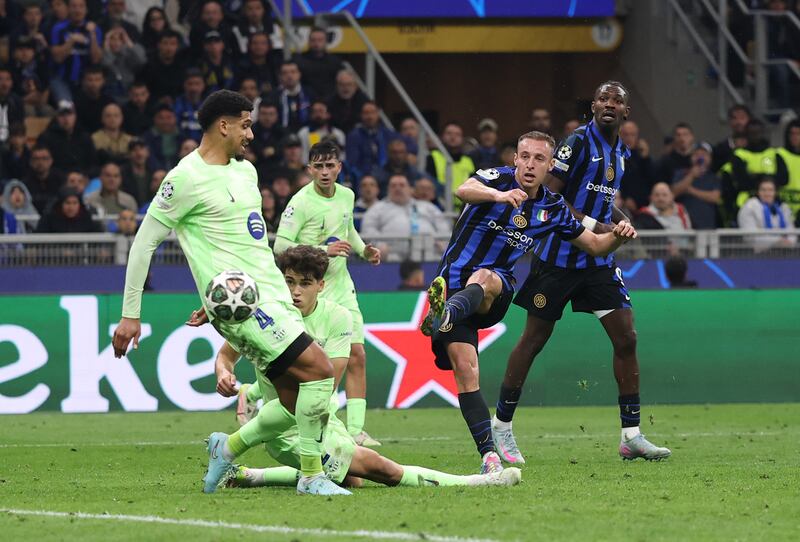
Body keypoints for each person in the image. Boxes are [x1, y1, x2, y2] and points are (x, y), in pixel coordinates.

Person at [111, 90, 346, 496]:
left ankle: (227, 448)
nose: (250, 134)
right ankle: (311, 476)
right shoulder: (184, 178)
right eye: (245, 125)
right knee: (321, 370)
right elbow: (143, 243)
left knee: (295, 402)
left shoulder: (246, 172)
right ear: (224, 125)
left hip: (270, 293)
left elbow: (243, 243)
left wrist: (215, 300)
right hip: (249, 308)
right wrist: (131, 313)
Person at [194, 245, 520, 491]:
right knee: (383, 470)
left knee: (354, 479)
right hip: (284, 430)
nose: (295, 291)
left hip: (321, 417)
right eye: (289, 281)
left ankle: (248, 475)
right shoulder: (268, 315)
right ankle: (478, 482)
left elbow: (327, 386)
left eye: (305, 283)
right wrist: (223, 371)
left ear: (321, 285)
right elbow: (226, 356)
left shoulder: (338, 317)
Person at [420, 130, 638, 474]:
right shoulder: (496, 179)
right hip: (453, 286)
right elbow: (463, 189)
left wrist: (617, 236)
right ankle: (489, 457)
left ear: (550, 165)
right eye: (524, 156)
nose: (530, 164)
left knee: (485, 276)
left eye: (539, 159)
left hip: (495, 292)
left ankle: (445, 314)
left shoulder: (552, 207)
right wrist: (499, 195)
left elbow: (595, 246)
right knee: (466, 371)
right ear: (515, 159)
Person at [490, 82, 671, 465]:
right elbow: (552, 197)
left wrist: (621, 221)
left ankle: (631, 436)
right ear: (593, 106)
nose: (609, 104)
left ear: (626, 112)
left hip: (597, 264)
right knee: (533, 341)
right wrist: (598, 227)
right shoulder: (576, 143)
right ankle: (501, 425)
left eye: (617, 101)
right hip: (557, 259)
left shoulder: (621, 151)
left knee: (626, 338)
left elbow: (602, 203)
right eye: (603, 99)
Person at [274, 140, 382, 447]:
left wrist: (363, 250)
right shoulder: (300, 202)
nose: (324, 172)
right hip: (310, 291)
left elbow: (348, 230)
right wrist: (324, 250)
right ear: (309, 169)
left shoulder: (347, 195)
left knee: (357, 354)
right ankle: (254, 395)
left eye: (329, 165)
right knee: (306, 362)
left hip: (342, 288)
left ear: (339, 167)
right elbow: (280, 246)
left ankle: (356, 431)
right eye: (318, 166)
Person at [361, 174, 450, 261]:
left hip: (430, 254)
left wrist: (442, 242)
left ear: (410, 189)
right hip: (391, 257)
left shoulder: (427, 207)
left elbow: (443, 226)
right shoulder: (377, 208)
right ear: (388, 189)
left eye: (402, 185)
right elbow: (368, 229)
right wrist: (379, 245)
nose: (398, 188)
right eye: (393, 186)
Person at [48, 0, 103, 100]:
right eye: (74, 6)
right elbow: (57, 58)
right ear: (68, 9)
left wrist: (93, 36)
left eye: (81, 6)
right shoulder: (58, 28)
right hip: (62, 79)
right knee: (66, 107)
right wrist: (71, 41)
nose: (77, 10)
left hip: (86, 81)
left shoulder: (95, 29)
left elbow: (95, 59)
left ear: (86, 10)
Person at [668, 143, 721, 229]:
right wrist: (691, 176)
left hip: (707, 226)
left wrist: (691, 190)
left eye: (704, 154)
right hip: (684, 224)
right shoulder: (681, 174)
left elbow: (715, 198)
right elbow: (673, 193)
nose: (700, 157)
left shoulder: (713, 177)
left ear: (710, 158)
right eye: (696, 154)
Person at [737, 177, 796, 252]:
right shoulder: (749, 207)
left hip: (785, 252)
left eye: (770, 190)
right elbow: (750, 237)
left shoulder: (783, 207)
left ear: (775, 192)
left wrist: (789, 242)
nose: (767, 194)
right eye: (763, 190)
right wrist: (777, 242)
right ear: (758, 192)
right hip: (757, 254)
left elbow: (792, 231)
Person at [37, 100, 96, 173]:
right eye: (62, 115)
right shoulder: (46, 138)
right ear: (56, 117)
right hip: (57, 177)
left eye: (69, 114)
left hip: (82, 177)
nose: (66, 118)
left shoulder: (84, 137)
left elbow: (93, 163)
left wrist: (84, 176)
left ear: (75, 116)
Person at [425, 122, 476, 208]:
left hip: (464, 208)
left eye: (457, 134)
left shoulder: (469, 161)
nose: (453, 137)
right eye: (449, 133)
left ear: (462, 139)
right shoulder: (432, 157)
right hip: (439, 207)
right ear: (442, 137)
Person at [346, 101, 397, 181]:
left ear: (378, 114)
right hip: (363, 178)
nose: (369, 116)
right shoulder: (354, 136)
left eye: (373, 112)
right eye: (366, 113)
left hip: (388, 177)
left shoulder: (388, 134)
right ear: (361, 115)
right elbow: (353, 163)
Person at [265, 60, 314, 132]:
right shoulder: (273, 96)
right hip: (280, 133)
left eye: (293, 72)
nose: (289, 76)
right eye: (285, 73)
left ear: (299, 74)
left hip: (308, 132)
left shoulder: (309, 93)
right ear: (280, 76)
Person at [295, 27, 343, 99]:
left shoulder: (335, 61)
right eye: (313, 40)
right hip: (305, 100)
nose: (316, 43)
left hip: (330, 100)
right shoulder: (299, 61)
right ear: (309, 41)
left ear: (326, 41)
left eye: (320, 40)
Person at [618, 120, 654, 213]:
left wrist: (645, 157)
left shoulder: (643, 156)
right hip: (623, 203)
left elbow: (652, 180)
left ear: (637, 137)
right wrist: (625, 198)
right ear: (620, 135)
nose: (629, 138)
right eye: (626, 134)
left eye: (632, 135)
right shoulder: (615, 155)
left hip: (645, 204)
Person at [35, 186, 101, 233]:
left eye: (75, 203)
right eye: (67, 203)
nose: (71, 207)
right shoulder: (48, 220)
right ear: (60, 204)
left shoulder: (87, 220)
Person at [24, 145, 66, 214]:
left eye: (44, 158)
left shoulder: (61, 180)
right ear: (31, 162)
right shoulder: (25, 183)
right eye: (36, 159)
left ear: (51, 161)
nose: (40, 162)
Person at [712, 104, 751, 172]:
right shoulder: (720, 149)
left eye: (742, 118)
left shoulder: (757, 147)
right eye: (734, 118)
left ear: (749, 120)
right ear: (729, 121)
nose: (738, 122)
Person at [327, 70, 367, 134]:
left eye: (349, 84)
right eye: (342, 84)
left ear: (355, 86)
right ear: (337, 86)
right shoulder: (329, 102)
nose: (345, 88)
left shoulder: (364, 101)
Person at [776, 119, 800, 223]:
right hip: (784, 206)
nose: (795, 137)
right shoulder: (779, 154)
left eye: (798, 134)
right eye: (792, 134)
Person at [173, 70, 206, 143]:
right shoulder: (176, 104)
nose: (193, 88)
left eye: (197, 84)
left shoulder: (210, 105)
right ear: (184, 85)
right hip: (181, 144)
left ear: (203, 85)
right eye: (190, 84)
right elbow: (173, 128)